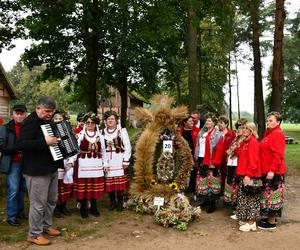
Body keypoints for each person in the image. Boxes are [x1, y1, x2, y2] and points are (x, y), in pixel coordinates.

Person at [18, 96, 61, 245]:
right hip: (35, 171)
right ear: (38, 108)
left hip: (50, 167)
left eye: (51, 111)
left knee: (51, 200)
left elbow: (53, 140)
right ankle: (34, 234)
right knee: (38, 204)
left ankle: (46, 226)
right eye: (47, 111)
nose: (50, 114)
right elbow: (21, 144)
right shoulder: (29, 122)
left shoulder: (47, 122)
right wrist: (45, 142)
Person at [71, 112, 107, 218]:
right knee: (84, 186)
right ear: (85, 124)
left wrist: (105, 163)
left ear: (95, 124)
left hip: (96, 165)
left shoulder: (100, 136)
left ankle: (94, 207)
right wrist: (71, 162)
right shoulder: (81, 136)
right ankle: (83, 207)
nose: (90, 124)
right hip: (83, 164)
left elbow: (103, 151)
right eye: (88, 122)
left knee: (93, 186)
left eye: (92, 122)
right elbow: (75, 151)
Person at [258, 111, 286, 230]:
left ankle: (271, 222)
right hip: (266, 170)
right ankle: (269, 218)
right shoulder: (269, 134)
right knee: (267, 195)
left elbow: (278, 154)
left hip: (273, 171)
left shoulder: (277, 134)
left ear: (278, 122)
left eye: (271, 120)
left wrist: (272, 170)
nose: (268, 122)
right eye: (267, 120)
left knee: (272, 196)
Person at [0, 104, 27, 227]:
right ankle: (11, 216)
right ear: (13, 114)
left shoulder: (27, 127)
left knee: (22, 189)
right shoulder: (5, 128)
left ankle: (19, 212)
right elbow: (2, 147)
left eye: (22, 114)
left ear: (25, 115)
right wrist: (17, 149)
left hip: (25, 163)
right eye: (17, 113)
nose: (20, 116)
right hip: (13, 163)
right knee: (13, 190)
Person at [232, 122, 261, 232]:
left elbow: (253, 162)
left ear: (251, 130)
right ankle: (247, 219)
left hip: (250, 175)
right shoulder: (245, 142)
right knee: (244, 198)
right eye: (242, 128)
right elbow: (236, 152)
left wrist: (248, 175)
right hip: (243, 174)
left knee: (251, 199)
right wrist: (237, 143)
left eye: (245, 128)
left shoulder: (253, 142)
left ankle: (251, 223)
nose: (243, 130)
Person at [103, 111, 131, 212]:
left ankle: (120, 202)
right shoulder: (103, 132)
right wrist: (103, 162)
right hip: (108, 160)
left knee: (119, 183)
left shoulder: (122, 131)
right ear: (105, 121)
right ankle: (112, 202)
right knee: (110, 182)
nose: (110, 121)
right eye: (108, 119)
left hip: (119, 159)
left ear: (116, 120)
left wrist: (125, 160)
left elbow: (127, 147)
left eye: (112, 119)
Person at [195, 113, 224, 213]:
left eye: (210, 121)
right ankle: (206, 201)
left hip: (211, 161)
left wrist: (215, 162)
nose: (207, 122)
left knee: (211, 181)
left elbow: (219, 150)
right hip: (201, 158)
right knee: (203, 180)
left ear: (214, 122)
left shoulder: (218, 134)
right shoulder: (202, 133)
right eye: (206, 121)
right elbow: (198, 146)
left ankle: (212, 203)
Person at [223, 118, 247, 212]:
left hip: (238, 164)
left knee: (236, 184)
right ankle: (232, 204)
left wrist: (233, 152)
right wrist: (229, 152)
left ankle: (237, 206)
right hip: (231, 164)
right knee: (231, 183)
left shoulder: (244, 139)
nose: (238, 130)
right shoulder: (236, 138)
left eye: (241, 128)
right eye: (237, 127)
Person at [52, 111, 73, 218]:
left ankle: (64, 206)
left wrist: (70, 162)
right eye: (56, 119)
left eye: (60, 119)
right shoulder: (50, 132)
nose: (58, 121)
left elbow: (73, 148)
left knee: (65, 186)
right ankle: (56, 208)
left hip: (66, 162)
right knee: (56, 187)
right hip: (55, 163)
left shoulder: (67, 132)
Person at [179, 116, 200, 196]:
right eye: (190, 121)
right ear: (185, 123)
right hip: (183, 155)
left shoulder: (197, 131)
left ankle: (194, 189)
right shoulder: (180, 131)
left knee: (194, 171)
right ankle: (185, 188)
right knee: (184, 171)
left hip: (194, 154)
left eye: (192, 121)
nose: (192, 123)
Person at [218, 115, 236, 194]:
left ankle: (226, 190)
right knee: (219, 174)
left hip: (227, 158)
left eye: (221, 123)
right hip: (218, 157)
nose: (219, 124)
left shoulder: (232, 134)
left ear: (226, 124)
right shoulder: (216, 133)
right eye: (219, 123)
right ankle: (219, 189)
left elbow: (234, 145)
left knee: (226, 174)